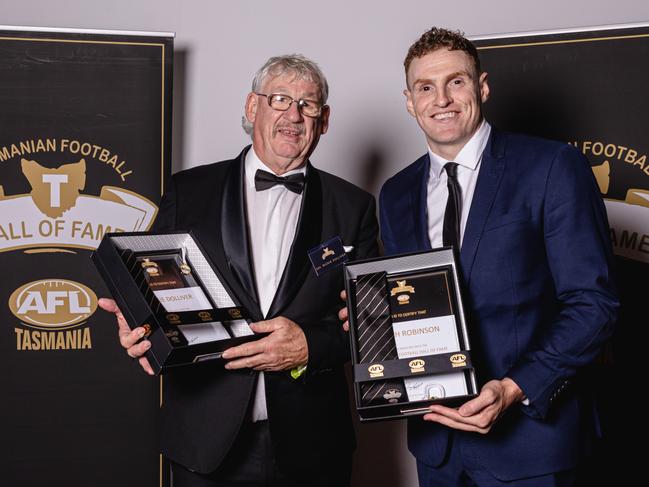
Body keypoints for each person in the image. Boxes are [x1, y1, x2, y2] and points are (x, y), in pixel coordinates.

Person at [98, 54, 378, 487]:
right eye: (280, 99)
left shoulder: (354, 206)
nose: (293, 115)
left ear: (323, 121)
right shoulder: (188, 190)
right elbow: (154, 286)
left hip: (313, 444)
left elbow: (372, 323)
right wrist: (136, 321)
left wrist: (311, 345)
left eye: (308, 104)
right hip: (206, 440)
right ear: (253, 108)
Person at [378, 27, 618, 486]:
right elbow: (412, 302)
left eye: (457, 82)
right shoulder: (395, 193)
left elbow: (593, 304)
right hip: (438, 450)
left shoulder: (551, 167)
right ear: (410, 101)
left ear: (482, 87)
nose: (442, 99)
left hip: (533, 444)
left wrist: (513, 388)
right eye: (425, 87)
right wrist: (375, 319)